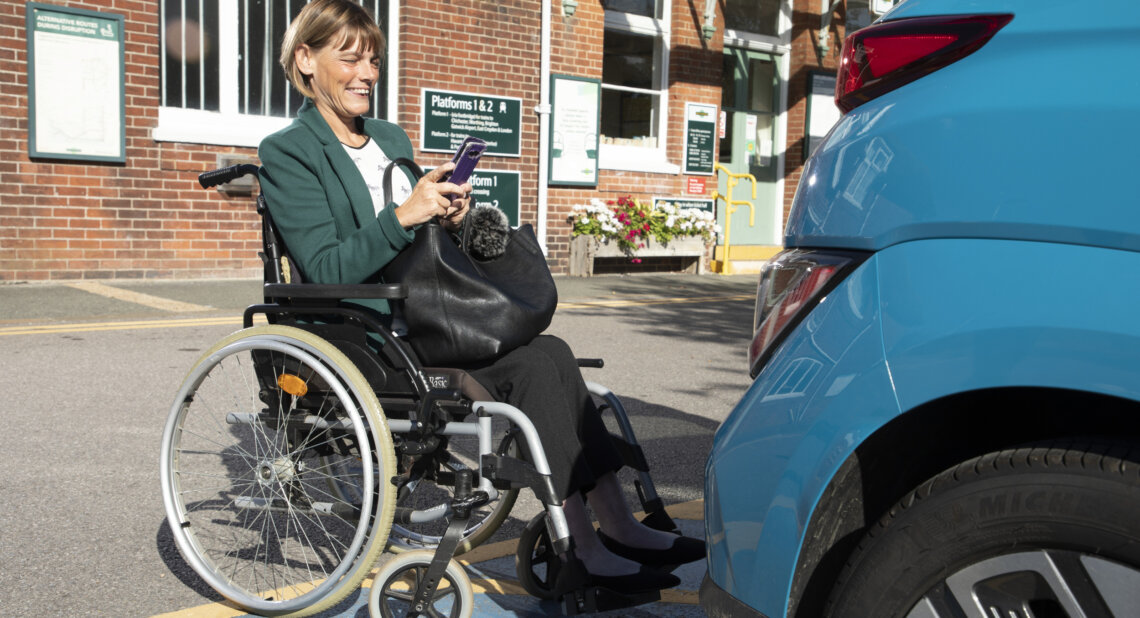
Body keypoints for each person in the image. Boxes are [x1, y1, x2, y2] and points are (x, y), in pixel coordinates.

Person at [258, 0, 704, 594]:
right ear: (306, 60)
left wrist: (444, 215)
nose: (367, 73)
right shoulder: (287, 151)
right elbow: (323, 267)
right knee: (534, 368)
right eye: (350, 59)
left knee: (552, 353)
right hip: (364, 331)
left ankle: (617, 523)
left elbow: (417, 241)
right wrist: (403, 215)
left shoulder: (388, 136)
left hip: (421, 310)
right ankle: (584, 545)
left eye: (374, 60)